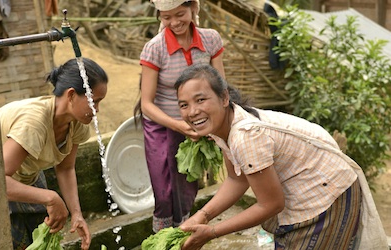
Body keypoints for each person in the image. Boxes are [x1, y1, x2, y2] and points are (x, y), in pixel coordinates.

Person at [175, 64, 388, 250]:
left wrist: (211, 232)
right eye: (184, 105)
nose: (192, 112)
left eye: (200, 100)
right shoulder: (225, 125)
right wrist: (203, 215)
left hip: (327, 194)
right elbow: (236, 179)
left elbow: (271, 204)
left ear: (224, 98)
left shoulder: (245, 136)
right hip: (313, 187)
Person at [135, 0, 225, 233]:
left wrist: (214, 124)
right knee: (164, 192)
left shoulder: (211, 40)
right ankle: (163, 238)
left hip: (196, 124)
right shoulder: (155, 48)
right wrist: (177, 125)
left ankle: (181, 237)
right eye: (166, 17)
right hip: (161, 125)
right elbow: (146, 104)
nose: (174, 23)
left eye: (180, 14)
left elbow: (220, 87)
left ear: (193, 8)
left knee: (186, 189)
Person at [0, 57, 108, 250]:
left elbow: (66, 168)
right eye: (94, 101)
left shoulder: (77, 122)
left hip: (28, 175)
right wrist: (51, 197)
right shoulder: (33, 123)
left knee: (43, 239)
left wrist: (76, 214)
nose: (96, 110)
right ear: (72, 95)